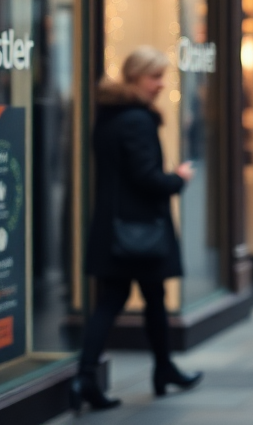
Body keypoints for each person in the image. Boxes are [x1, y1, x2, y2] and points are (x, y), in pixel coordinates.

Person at [74, 47, 201, 413]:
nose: (161, 85)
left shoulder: (110, 115)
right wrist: (177, 179)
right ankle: (102, 375)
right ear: (135, 78)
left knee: (135, 300)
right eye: (155, 77)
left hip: (118, 229)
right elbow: (146, 178)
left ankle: (158, 369)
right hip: (137, 231)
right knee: (130, 301)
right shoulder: (137, 120)